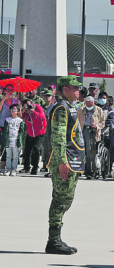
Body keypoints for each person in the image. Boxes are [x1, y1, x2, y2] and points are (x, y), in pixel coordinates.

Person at [45, 75, 86, 255]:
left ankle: (56, 239)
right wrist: (62, 162)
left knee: (65, 199)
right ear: (65, 90)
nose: (78, 90)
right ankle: (53, 240)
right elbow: (58, 137)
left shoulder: (71, 107)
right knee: (60, 200)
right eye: (74, 87)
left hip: (71, 159)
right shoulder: (62, 108)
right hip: (65, 160)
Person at [77, 96, 105, 179]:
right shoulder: (81, 109)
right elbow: (77, 120)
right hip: (83, 130)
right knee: (81, 151)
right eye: (87, 104)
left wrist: (97, 126)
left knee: (90, 152)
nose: (89, 106)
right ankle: (80, 170)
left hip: (93, 131)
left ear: (93, 103)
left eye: (90, 104)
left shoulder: (99, 110)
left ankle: (90, 171)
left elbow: (103, 122)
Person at [20, 98, 47, 175]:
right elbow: (20, 117)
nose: (28, 107)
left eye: (29, 105)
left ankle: (35, 167)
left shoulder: (38, 107)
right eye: (26, 106)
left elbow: (42, 117)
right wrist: (23, 111)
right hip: (30, 133)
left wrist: (33, 112)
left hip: (40, 132)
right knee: (27, 150)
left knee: (36, 149)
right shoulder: (25, 112)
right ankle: (26, 167)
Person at [2, 104, 25, 176]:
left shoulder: (20, 121)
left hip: (16, 140)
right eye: (11, 110)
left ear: (18, 111)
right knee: (8, 156)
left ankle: (14, 169)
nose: (13, 111)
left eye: (14, 110)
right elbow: (5, 131)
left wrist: (20, 141)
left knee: (15, 156)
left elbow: (21, 132)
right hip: (9, 140)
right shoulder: (7, 120)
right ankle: (8, 169)